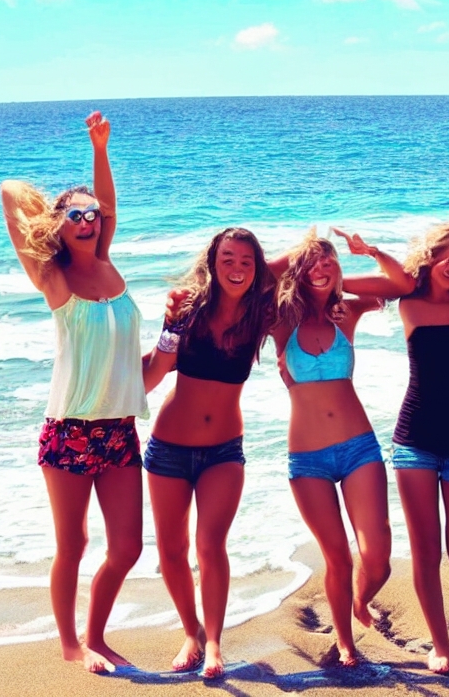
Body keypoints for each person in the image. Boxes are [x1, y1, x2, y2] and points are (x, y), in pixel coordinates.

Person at [0, 112, 148, 673]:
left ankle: (97, 635)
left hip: (119, 429)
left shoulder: (110, 268)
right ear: (60, 228)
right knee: (74, 544)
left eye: (92, 216)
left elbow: (108, 205)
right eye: (75, 217)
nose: (87, 222)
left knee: (127, 547)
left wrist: (100, 150)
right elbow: (9, 192)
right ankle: (70, 644)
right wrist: (52, 213)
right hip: (69, 430)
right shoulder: (53, 278)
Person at [341, 221, 449, 674]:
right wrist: (372, 252)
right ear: (431, 255)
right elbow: (336, 282)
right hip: (415, 442)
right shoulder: (408, 297)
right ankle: (440, 645)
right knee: (426, 553)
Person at [272, 228, 415, 667]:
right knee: (337, 558)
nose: (320, 267)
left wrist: (365, 257)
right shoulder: (280, 320)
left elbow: (402, 285)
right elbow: (251, 279)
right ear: (298, 272)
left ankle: (360, 600)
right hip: (308, 459)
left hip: (359, 449)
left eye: (327, 260)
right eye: (311, 263)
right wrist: (297, 262)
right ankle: (345, 641)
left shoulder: (347, 312)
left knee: (378, 558)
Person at [142, 227, 276, 678]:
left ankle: (215, 643)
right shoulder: (187, 309)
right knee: (171, 550)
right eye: (227, 259)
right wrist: (165, 330)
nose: (236, 268)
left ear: (257, 268)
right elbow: (155, 373)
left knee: (210, 544)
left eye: (246, 261)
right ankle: (191, 632)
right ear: (212, 263)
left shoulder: (261, 313)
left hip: (223, 451)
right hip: (168, 449)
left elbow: (298, 265)